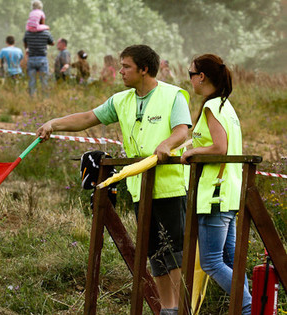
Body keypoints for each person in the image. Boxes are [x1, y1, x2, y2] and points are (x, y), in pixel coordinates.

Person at [37, 45, 192, 314]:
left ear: (144, 69)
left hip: (169, 187)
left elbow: (182, 131)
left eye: (126, 66)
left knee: (174, 254)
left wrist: (166, 144)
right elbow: (87, 118)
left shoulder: (173, 95)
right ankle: (167, 309)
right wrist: (54, 123)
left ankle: (181, 308)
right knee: (154, 253)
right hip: (139, 189)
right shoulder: (121, 100)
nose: (120, 71)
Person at [181, 54, 251, 314]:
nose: (189, 79)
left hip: (215, 194)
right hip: (229, 193)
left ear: (202, 77)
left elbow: (220, 148)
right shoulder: (226, 106)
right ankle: (247, 309)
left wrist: (191, 154)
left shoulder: (212, 107)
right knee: (231, 260)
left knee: (211, 262)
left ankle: (249, 307)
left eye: (190, 74)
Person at [23, 25, 54, 96]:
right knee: (44, 80)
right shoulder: (46, 32)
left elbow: (25, 44)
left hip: (31, 58)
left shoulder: (28, 33)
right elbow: (52, 43)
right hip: (42, 58)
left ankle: (32, 99)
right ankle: (45, 100)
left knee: (31, 81)